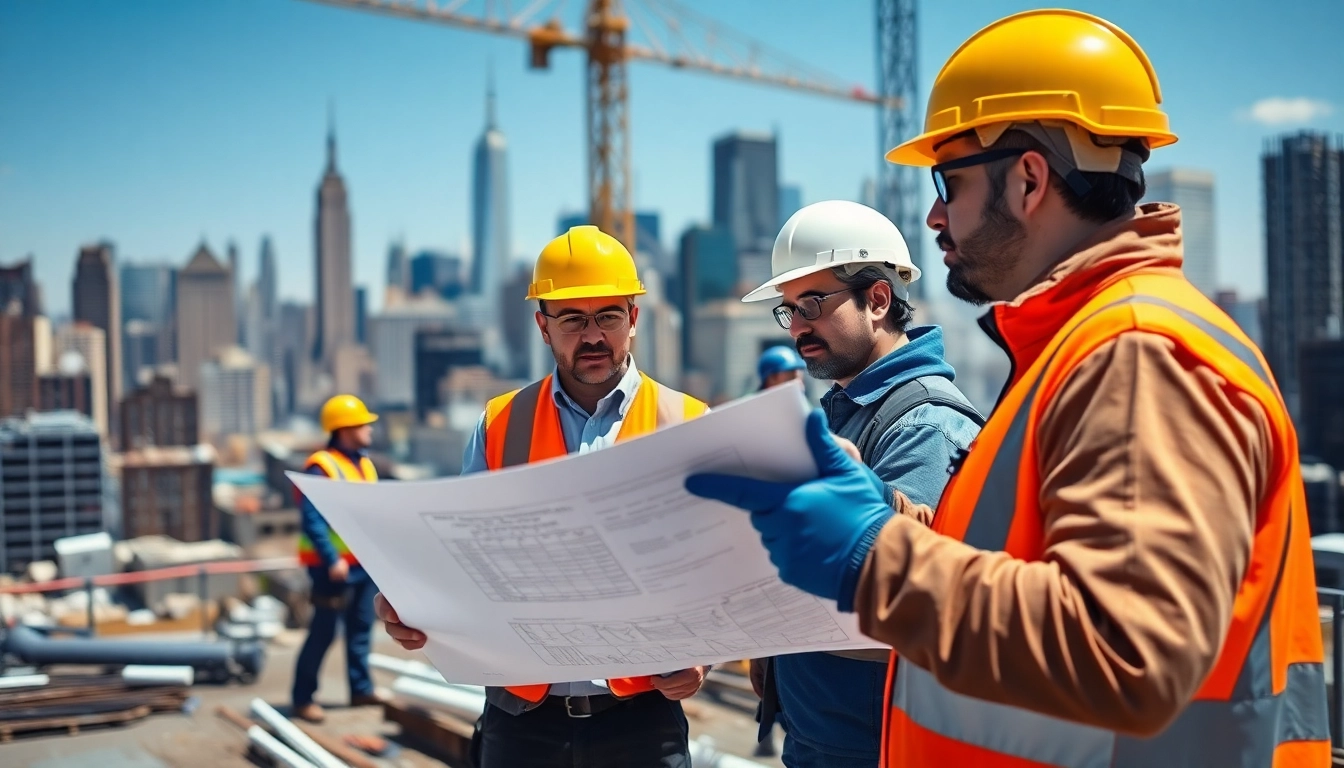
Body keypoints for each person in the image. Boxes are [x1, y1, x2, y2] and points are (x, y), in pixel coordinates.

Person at [686, 9, 1329, 767]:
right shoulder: (1083, 348)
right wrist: (888, 516)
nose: (933, 216)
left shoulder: (1137, 354)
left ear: (1028, 179)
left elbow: (1125, 651)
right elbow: (1034, 568)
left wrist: (874, 557)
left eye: (948, 182)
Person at [375, 225, 710, 768]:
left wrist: (705, 655)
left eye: (608, 316)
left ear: (634, 318)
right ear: (542, 326)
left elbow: (720, 567)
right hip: (521, 719)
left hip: (642, 718)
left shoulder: (690, 422)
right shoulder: (500, 423)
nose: (593, 335)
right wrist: (417, 607)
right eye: (573, 319)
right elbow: (466, 556)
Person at [741, 200, 982, 768]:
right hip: (824, 738)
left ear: (877, 299)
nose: (798, 325)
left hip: (875, 747)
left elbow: (897, 599)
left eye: (812, 304)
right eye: (788, 310)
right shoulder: (841, 414)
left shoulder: (924, 424)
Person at [291, 394, 387, 723]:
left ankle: (360, 690)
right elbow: (313, 519)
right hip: (331, 569)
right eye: (363, 424)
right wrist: (332, 559)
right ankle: (302, 698)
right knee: (324, 631)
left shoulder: (364, 464)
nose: (370, 430)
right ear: (345, 429)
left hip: (362, 565)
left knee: (361, 629)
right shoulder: (322, 466)